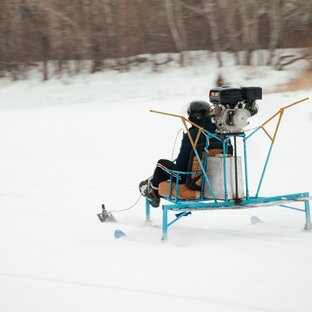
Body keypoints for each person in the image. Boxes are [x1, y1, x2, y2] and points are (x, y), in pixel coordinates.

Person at [139, 100, 220, 208]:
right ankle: (152, 185)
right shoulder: (220, 134)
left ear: (195, 117)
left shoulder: (191, 136)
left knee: (161, 164)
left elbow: (180, 167)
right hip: (214, 180)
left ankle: (152, 190)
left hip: (191, 180)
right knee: (162, 169)